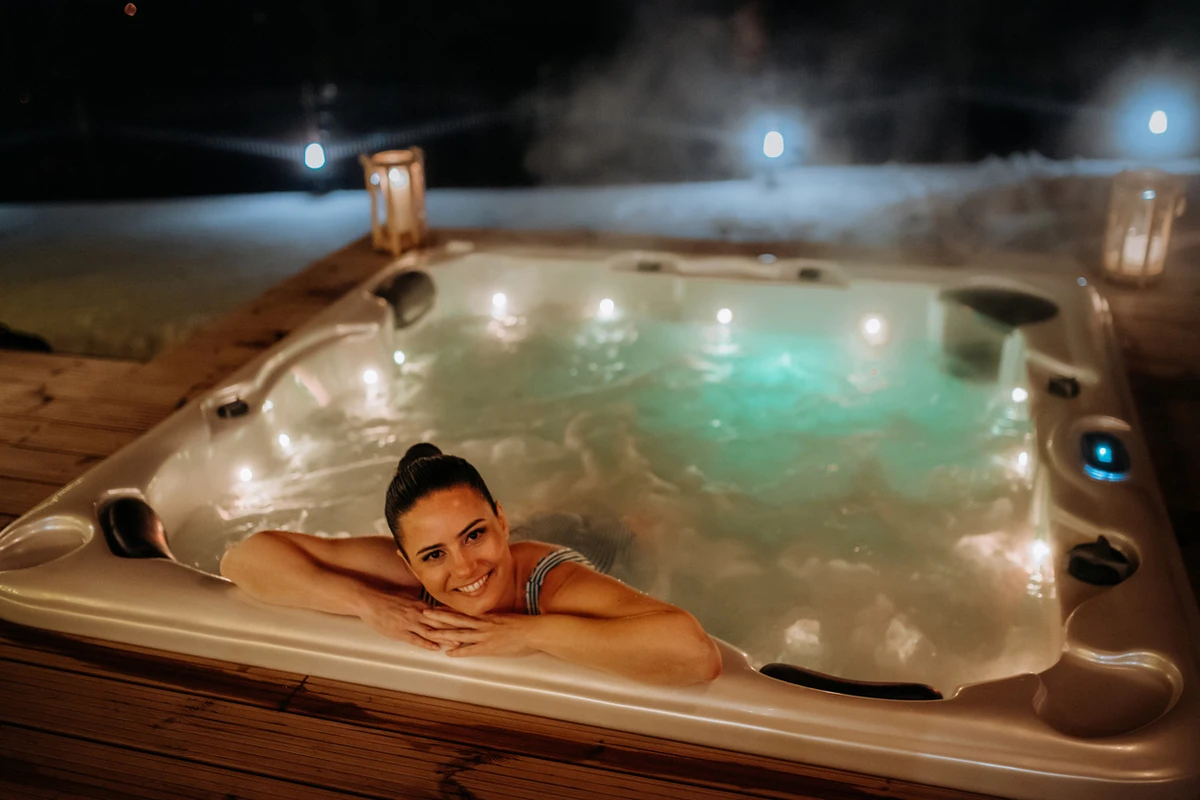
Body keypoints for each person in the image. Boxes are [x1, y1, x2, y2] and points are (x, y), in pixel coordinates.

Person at [220, 443, 722, 686]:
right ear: (408, 563)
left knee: (641, 522)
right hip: (520, 534)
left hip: (604, 544)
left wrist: (528, 633)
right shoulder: (403, 574)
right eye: (434, 554)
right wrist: (366, 604)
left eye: (474, 534)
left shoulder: (550, 585)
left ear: (499, 521)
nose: (461, 569)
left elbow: (695, 654)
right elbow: (243, 559)